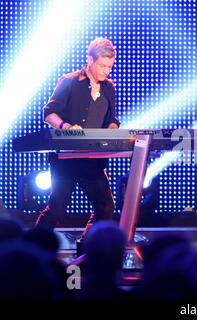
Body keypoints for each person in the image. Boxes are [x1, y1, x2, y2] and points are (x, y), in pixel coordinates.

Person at [35, 38, 120, 248]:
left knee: (106, 207)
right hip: (66, 157)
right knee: (57, 207)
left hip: (93, 159)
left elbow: (113, 119)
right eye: (102, 66)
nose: (106, 71)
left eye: (110, 67)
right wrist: (65, 126)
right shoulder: (70, 81)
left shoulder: (109, 87)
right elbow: (48, 113)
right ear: (90, 60)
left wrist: (112, 132)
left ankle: (87, 247)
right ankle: (33, 248)